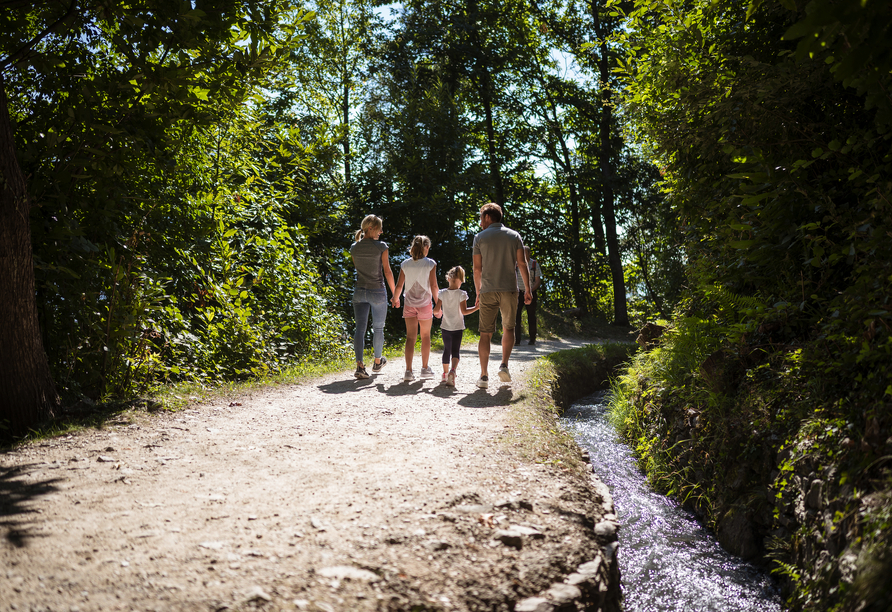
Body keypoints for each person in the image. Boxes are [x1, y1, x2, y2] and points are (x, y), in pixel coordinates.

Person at [472, 203, 531, 388]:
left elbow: (477, 268)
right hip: (509, 289)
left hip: (488, 290)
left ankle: (483, 376)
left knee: (485, 333)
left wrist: (478, 291)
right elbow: (522, 264)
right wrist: (527, 289)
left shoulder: (479, 238)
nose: (480, 222)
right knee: (509, 328)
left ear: (488, 217)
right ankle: (504, 365)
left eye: (481, 217)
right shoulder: (514, 236)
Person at [349, 214, 396, 379]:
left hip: (359, 291)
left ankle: (360, 366)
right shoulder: (381, 246)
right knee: (378, 328)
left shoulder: (354, 248)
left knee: (359, 329)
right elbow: (387, 271)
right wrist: (395, 294)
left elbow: (358, 269)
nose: (381, 232)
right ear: (370, 228)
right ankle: (377, 362)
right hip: (377, 291)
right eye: (379, 228)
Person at [391, 235, 441, 382]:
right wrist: (438, 305)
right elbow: (433, 286)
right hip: (425, 304)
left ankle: (408, 371)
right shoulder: (430, 263)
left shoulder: (405, 264)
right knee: (425, 336)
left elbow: (400, 285)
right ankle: (425, 368)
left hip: (409, 304)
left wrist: (395, 298)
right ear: (426, 247)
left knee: (410, 337)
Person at [435, 266, 479, 387]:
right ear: (460, 280)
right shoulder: (461, 294)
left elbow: (436, 310)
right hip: (458, 327)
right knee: (455, 350)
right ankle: (453, 371)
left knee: (446, 349)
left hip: (445, 327)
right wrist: (476, 308)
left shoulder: (442, 293)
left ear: (448, 279)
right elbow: (464, 312)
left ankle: (444, 374)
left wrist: (437, 313)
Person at [515, 246, 542, 345]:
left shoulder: (534, 264)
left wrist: (530, 290)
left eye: (525, 252)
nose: (522, 254)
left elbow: (538, 280)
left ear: (529, 253)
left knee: (531, 316)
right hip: (518, 293)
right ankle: (516, 340)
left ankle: (532, 339)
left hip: (531, 293)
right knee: (516, 316)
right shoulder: (516, 264)